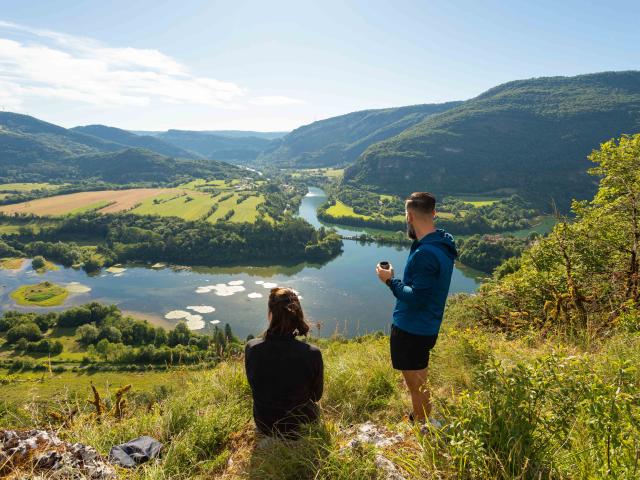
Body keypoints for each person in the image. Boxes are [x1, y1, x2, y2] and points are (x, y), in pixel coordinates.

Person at [375, 192, 457, 425]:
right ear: (433, 213)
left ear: (409, 216)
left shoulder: (425, 253)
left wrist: (390, 280)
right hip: (428, 325)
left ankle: (423, 427)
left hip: (412, 329)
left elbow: (416, 298)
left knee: (415, 385)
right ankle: (423, 418)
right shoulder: (442, 242)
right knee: (421, 381)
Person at [245, 287, 324, 437]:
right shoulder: (312, 353)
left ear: (270, 314)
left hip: (264, 424)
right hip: (300, 425)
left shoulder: (252, 348)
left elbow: (254, 386)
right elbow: (316, 396)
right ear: (297, 314)